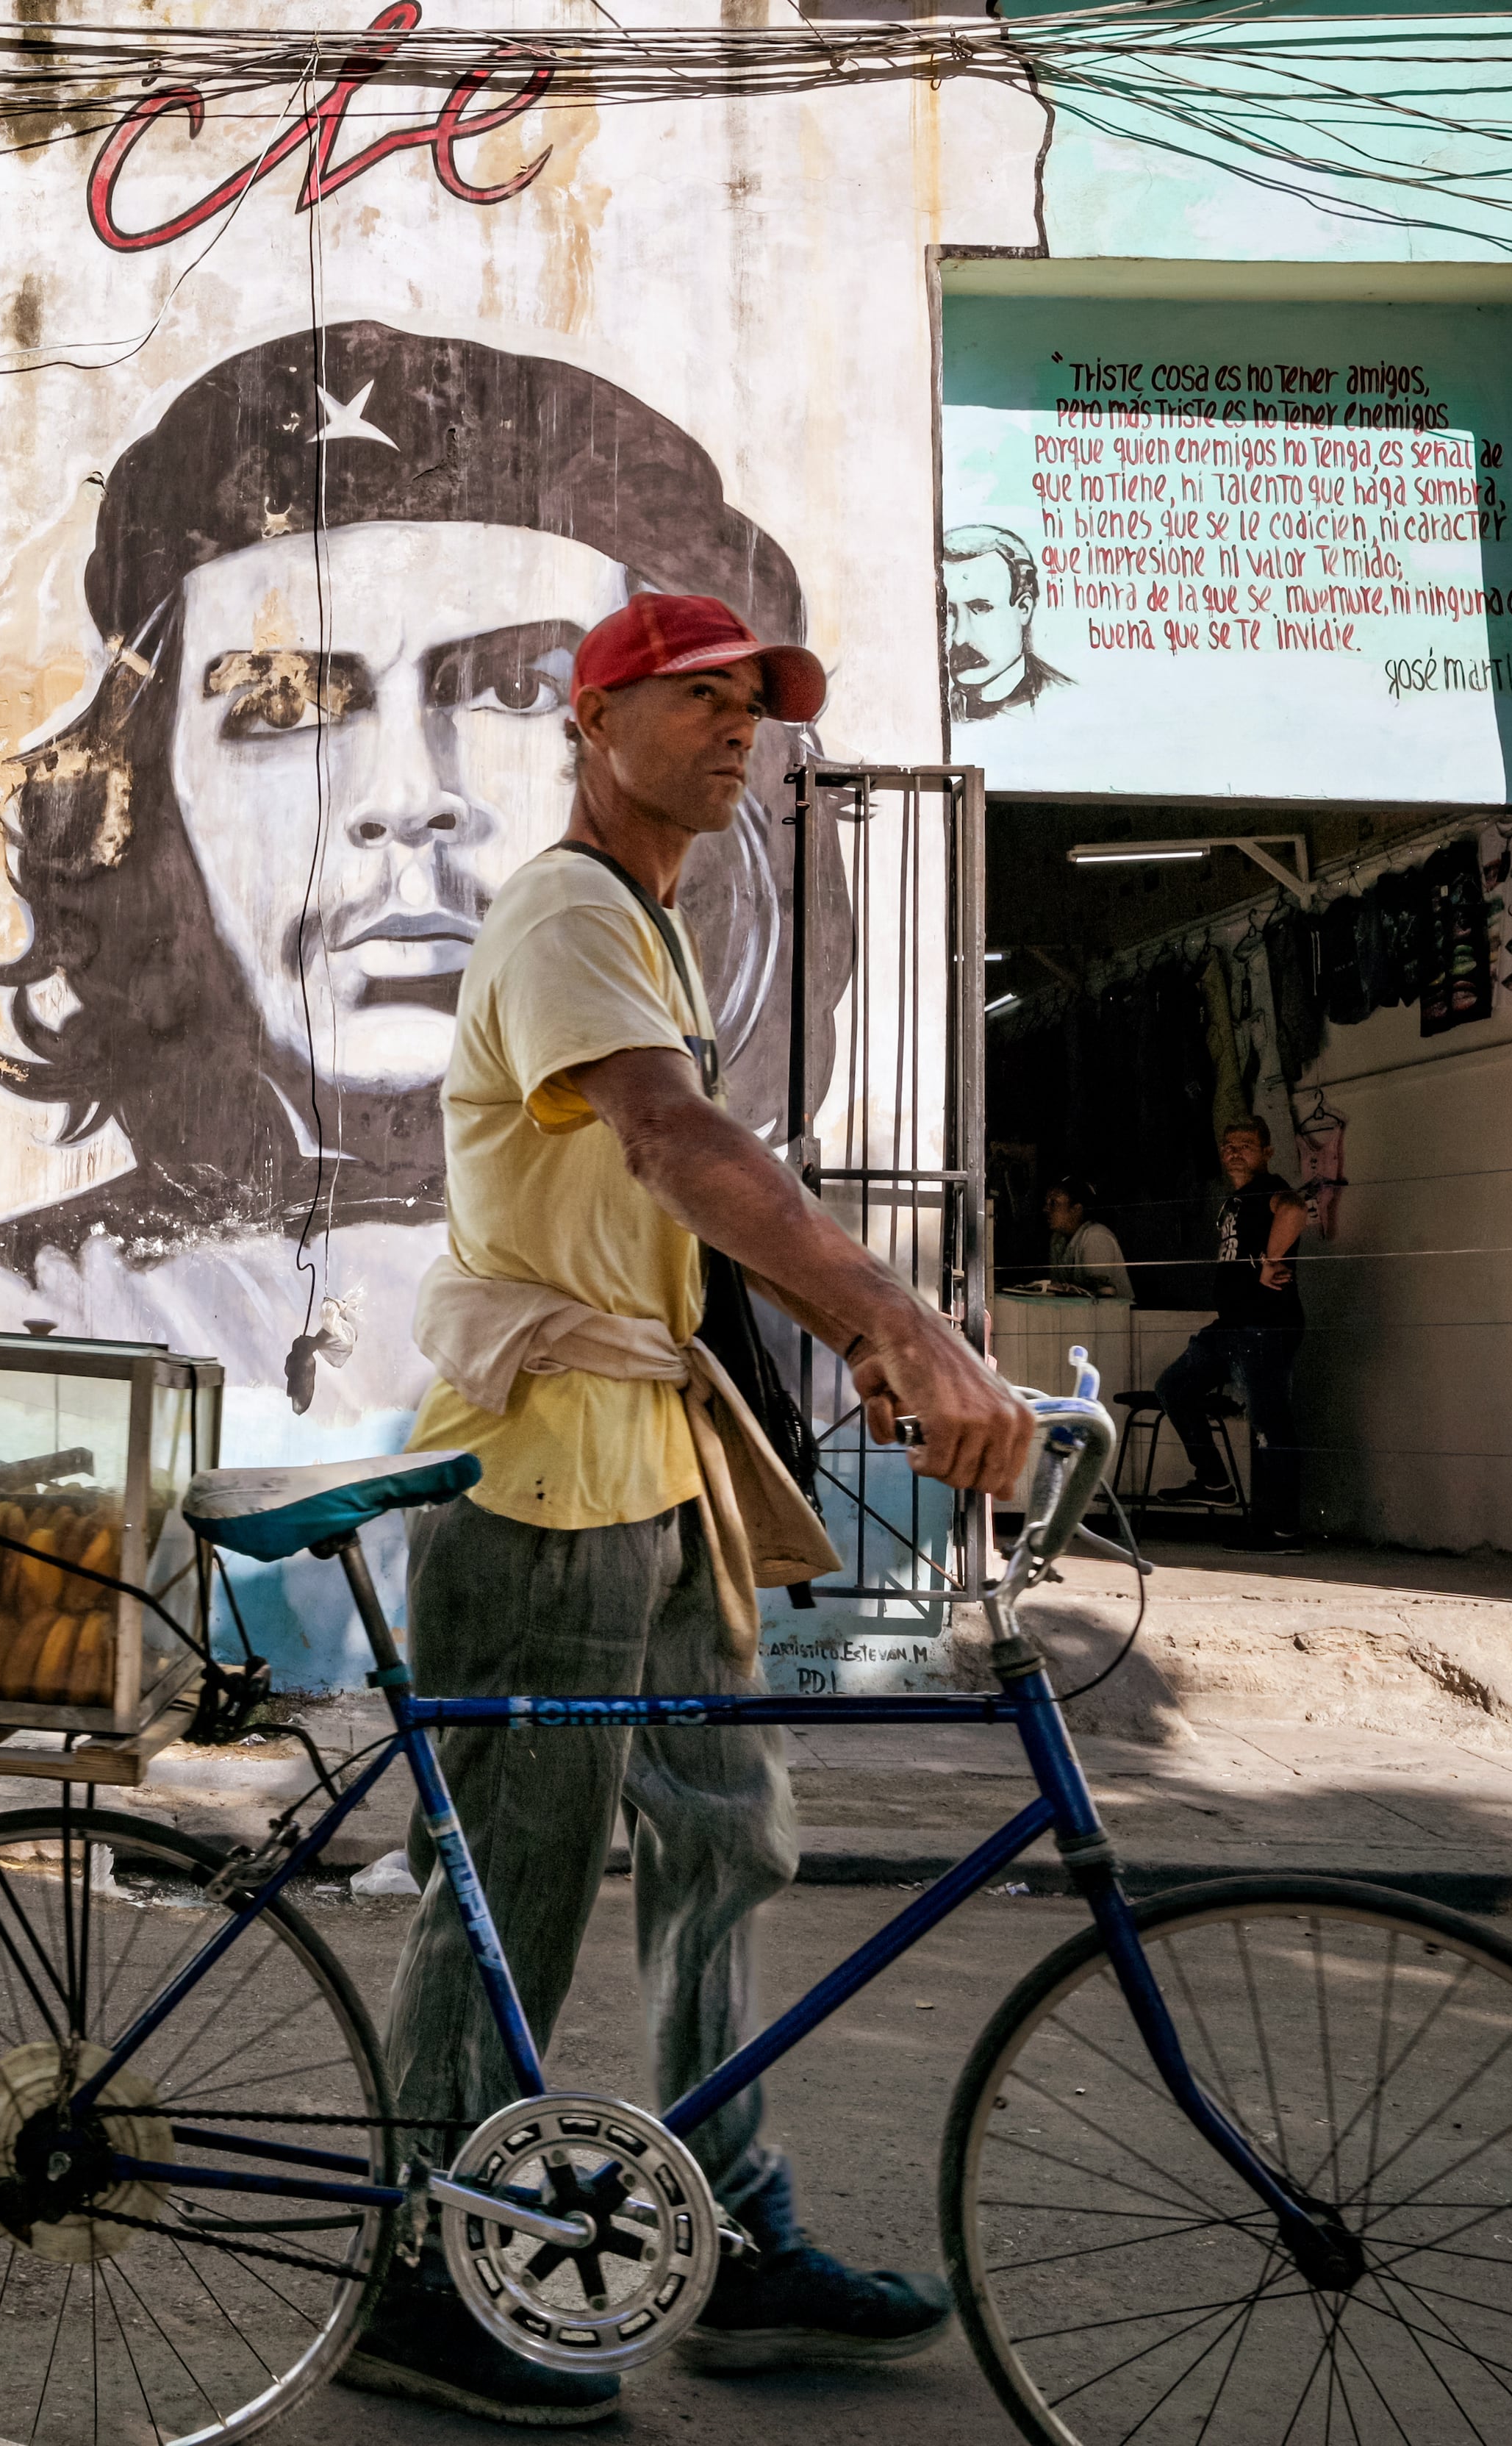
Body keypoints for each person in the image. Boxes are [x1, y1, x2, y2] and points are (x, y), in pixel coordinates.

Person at [337, 592, 1037, 2425]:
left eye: (756, 707)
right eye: (699, 701)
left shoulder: (646, 919)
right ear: (592, 721)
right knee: (517, 1890)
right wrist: (895, 1316)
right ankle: (420, 2262)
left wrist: (852, 1351)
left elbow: (686, 1205)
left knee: (727, 1847)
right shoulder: (567, 907)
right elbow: (674, 1144)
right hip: (540, 1472)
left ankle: (726, 2229)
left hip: (656, 1459)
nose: (740, 731)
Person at [0, 323, 853, 1426]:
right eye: (286, 704)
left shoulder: (767, 1298)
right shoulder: (14, 1312)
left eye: (509, 692)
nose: (408, 797)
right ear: (155, 792)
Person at [1153, 1120, 1308, 1551]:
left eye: (1247, 1145)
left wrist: (1270, 1261)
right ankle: (1215, 1481)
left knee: (1269, 1426)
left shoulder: (1267, 1188)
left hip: (1264, 1327)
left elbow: (1296, 1209)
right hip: (1232, 1327)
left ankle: (1283, 1530)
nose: (1236, 1152)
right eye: (1229, 1146)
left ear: (1267, 1152)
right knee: (1173, 1387)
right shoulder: (1238, 1199)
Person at [940, 523, 1070, 723]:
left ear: (1023, 608)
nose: (959, 637)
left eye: (981, 608)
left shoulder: (1067, 701)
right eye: (948, 611)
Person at [1029, 1175, 1131, 1299]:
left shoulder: (1096, 1236)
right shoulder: (1057, 1240)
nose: (1045, 1209)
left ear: (1076, 1210)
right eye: (1047, 1203)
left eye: (1054, 1203)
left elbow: (1101, 1294)